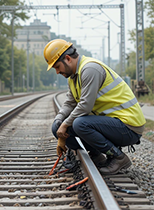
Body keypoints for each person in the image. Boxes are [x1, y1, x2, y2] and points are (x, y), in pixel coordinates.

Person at [44, 39, 145, 175]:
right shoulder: (74, 77)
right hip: (112, 123)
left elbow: (85, 106)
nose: (57, 72)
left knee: (80, 123)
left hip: (128, 126)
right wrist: (59, 120)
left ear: (67, 59)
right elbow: (70, 103)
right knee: (57, 126)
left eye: (57, 67)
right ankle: (96, 154)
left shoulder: (90, 69)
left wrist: (66, 124)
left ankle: (118, 157)